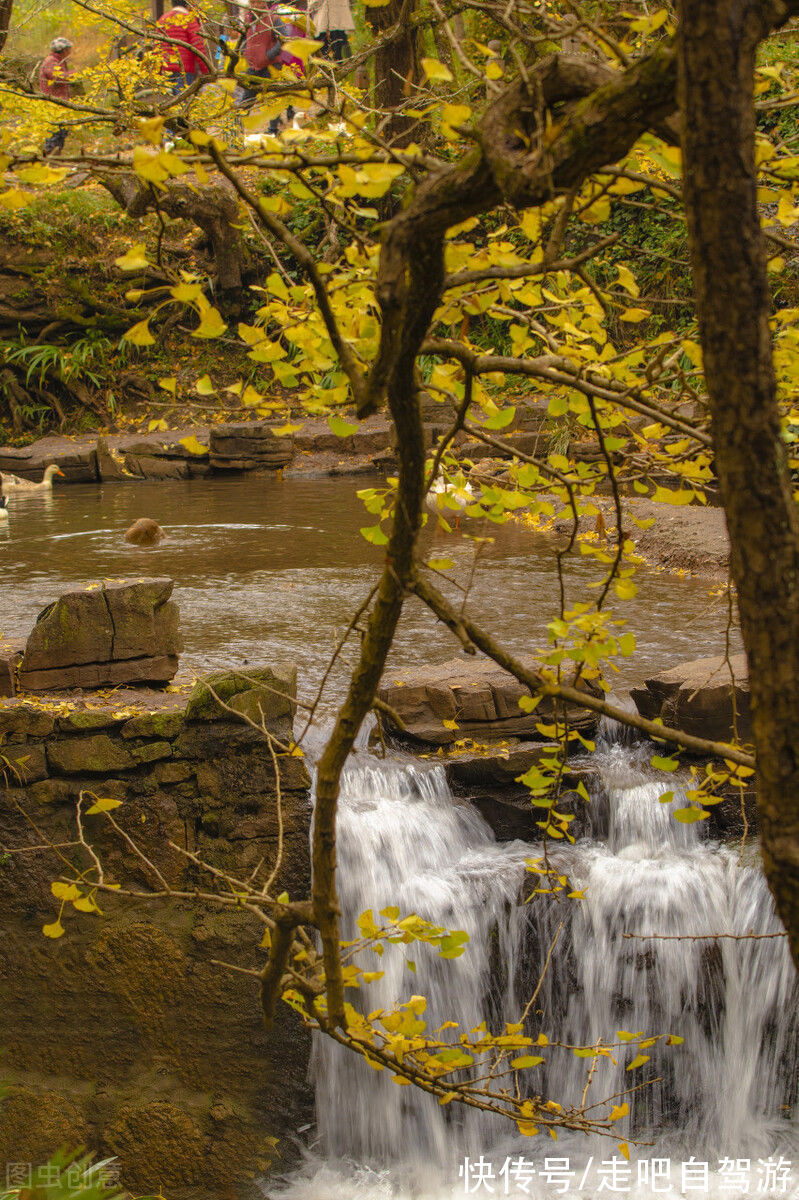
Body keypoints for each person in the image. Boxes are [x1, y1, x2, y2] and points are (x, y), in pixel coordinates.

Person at [156, 1, 210, 93]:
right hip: (184, 69)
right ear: (187, 4)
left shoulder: (162, 19)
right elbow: (198, 46)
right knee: (183, 101)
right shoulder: (189, 19)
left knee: (171, 103)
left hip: (166, 68)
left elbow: (156, 46)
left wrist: (157, 72)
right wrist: (207, 70)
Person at [38, 37, 73, 156]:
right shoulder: (51, 61)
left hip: (60, 104)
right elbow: (56, 77)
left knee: (61, 133)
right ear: (63, 50)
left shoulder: (59, 61)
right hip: (52, 105)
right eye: (68, 49)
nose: (70, 52)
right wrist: (73, 75)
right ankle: (50, 161)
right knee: (54, 134)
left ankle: (56, 160)